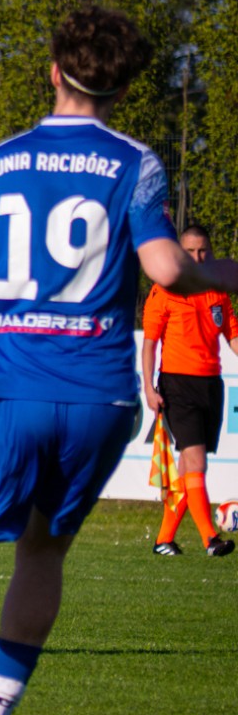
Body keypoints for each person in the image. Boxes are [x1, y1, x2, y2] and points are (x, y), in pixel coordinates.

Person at [0, 7, 238, 715]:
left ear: (53, 71)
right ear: (121, 88)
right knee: (43, 552)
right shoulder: (135, 164)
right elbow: (167, 269)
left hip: (14, 388)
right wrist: (225, 273)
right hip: (100, 398)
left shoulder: (2, 161)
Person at [142, 222, 237, 557]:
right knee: (194, 460)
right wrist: (148, 387)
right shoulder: (165, 289)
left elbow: (233, 337)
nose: (197, 257)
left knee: (190, 467)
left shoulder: (218, 291)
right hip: (177, 383)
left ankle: (164, 539)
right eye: (190, 251)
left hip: (211, 384)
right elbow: (150, 344)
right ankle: (210, 538)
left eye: (203, 251)